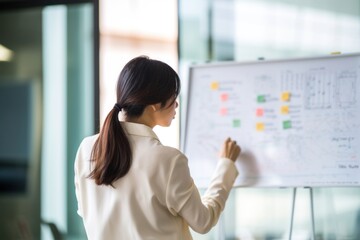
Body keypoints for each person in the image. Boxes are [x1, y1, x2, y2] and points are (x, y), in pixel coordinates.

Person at [74, 55, 241, 240]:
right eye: (173, 97)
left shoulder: (87, 148)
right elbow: (203, 221)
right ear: (154, 105)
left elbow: (86, 211)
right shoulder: (168, 159)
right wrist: (225, 166)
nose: (176, 104)